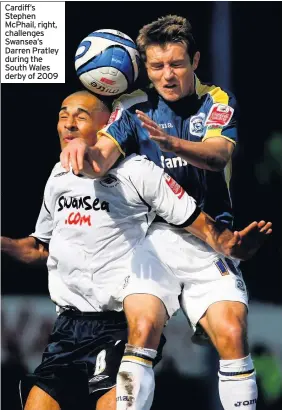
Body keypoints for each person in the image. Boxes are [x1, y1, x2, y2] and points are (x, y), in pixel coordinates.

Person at [1, 90, 270, 410]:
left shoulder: (139, 172)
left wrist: (232, 245)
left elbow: (198, 224)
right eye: (63, 116)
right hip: (67, 330)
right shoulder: (57, 177)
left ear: (107, 125)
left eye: (80, 117)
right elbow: (39, 247)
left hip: (120, 325)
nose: (69, 125)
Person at [60, 16, 270, 410]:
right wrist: (79, 153)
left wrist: (174, 143)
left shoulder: (216, 101)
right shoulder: (133, 106)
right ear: (145, 67)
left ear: (195, 59)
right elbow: (100, 160)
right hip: (151, 241)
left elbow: (219, 154)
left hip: (209, 240)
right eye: (156, 67)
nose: (167, 75)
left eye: (176, 64)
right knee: (142, 330)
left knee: (232, 333)